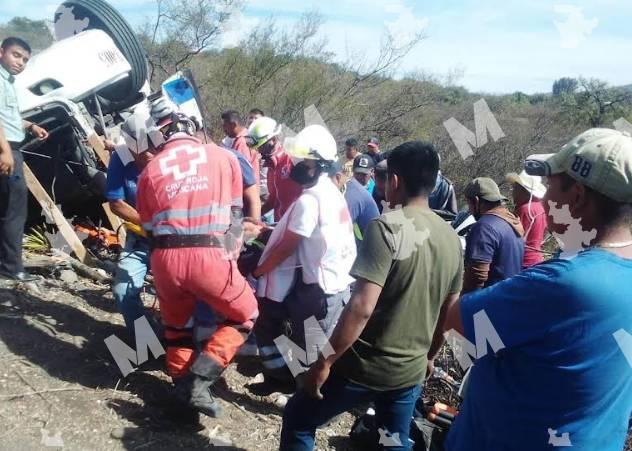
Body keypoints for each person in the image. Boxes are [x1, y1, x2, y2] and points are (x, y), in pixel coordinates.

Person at [444, 128, 632, 451]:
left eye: (550, 186)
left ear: (576, 196)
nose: (543, 199)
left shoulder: (565, 283)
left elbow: (457, 321)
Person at [280, 141, 464, 451]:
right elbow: (451, 310)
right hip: (410, 369)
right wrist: (429, 357)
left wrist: (324, 363)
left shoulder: (386, 228)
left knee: (300, 417)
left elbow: (361, 307)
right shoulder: (451, 239)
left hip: (365, 365)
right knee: (394, 440)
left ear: (394, 181)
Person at [136, 99, 258, 419]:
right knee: (244, 315)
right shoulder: (222, 156)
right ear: (194, 128)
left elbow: (147, 228)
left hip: (165, 259)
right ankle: (200, 381)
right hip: (209, 254)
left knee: (177, 330)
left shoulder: (151, 169)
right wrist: (230, 257)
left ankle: (181, 399)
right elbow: (234, 215)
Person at [252, 125, 356, 386]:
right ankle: (292, 386)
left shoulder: (311, 199)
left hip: (319, 290)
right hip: (334, 285)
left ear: (319, 165)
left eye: (304, 163)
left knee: (309, 349)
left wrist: (259, 270)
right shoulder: (332, 193)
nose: (297, 167)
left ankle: (305, 401)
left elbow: (289, 244)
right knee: (308, 343)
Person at [0, 37, 49, 281]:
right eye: (16, 55)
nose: (20, 62)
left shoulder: (7, 82)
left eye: (25, 60)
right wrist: (5, 151)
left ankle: (7, 263)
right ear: (1, 52)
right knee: (14, 210)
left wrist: (30, 126)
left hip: (11, 146)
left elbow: (8, 116)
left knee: (7, 207)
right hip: (6, 150)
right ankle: (12, 269)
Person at [106, 110, 158, 336]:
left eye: (149, 150)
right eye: (139, 152)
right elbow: (115, 203)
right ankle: (149, 342)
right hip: (141, 239)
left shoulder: (167, 153)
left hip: (177, 239)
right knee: (122, 292)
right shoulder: (121, 157)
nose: (146, 156)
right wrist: (150, 225)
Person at [462, 177, 524, 292]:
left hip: (489, 301)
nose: (469, 211)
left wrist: (464, 303)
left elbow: (477, 276)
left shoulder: (484, 227)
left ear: (476, 201)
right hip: (510, 296)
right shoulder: (511, 222)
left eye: (469, 204)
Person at [247, 116, 302, 222]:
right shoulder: (272, 167)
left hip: (296, 225)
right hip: (280, 224)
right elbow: (273, 199)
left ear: (273, 140)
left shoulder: (292, 160)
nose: (259, 151)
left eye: (261, 146)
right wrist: (254, 218)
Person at [330, 162, 379, 250]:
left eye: (364, 174)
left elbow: (337, 231)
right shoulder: (342, 191)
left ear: (338, 177)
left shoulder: (352, 195)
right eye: (358, 174)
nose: (360, 177)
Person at [506, 170, 547, 267]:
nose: (513, 192)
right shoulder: (540, 207)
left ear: (522, 190)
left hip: (523, 261)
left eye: (515, 188)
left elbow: (514, 239)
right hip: (536, 259)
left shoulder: (525, 210)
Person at [222, 110, 260, 186]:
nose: (224, 130)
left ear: (233, 125)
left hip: (247, 190)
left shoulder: (242, 142)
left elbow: (243, 171)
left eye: (225, 126)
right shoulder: (247, 137)